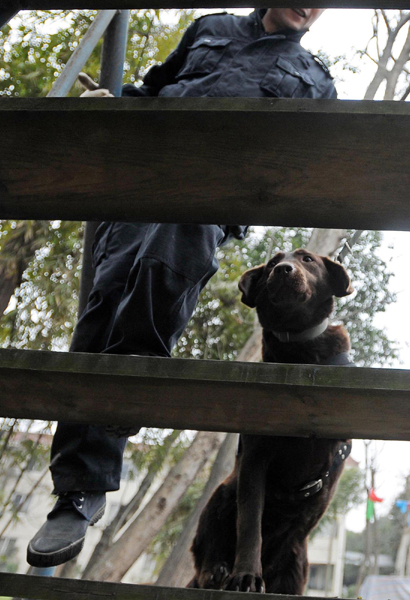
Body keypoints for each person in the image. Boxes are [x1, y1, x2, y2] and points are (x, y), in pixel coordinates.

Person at [27, 7, 336, 568]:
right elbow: (154, 91)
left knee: (164, 268)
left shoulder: (316, 80)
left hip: (214, 195)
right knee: (105, 302)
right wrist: (115, 101)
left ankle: (122, 406)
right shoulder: (210, 29)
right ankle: (77, 492)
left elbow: (304, 163)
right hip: (142, 180)